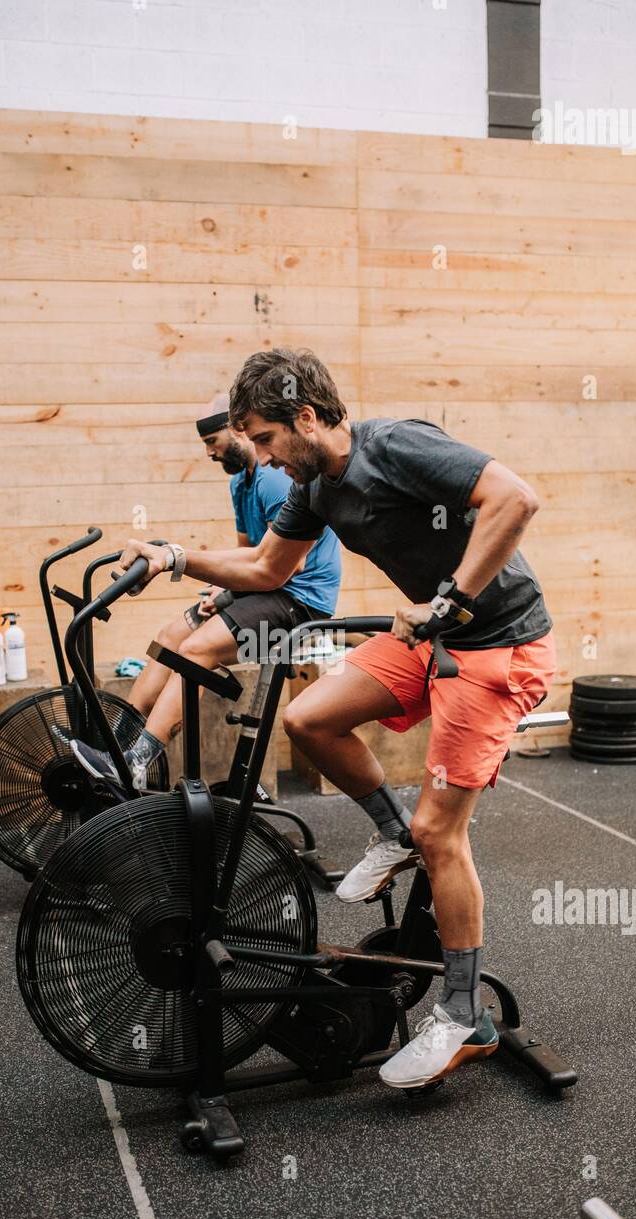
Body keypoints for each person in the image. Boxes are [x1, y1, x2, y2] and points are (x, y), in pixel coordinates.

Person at [108, 348, 558, 1093]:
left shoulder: (397, 447)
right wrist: (177, 558)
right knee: (311, 719)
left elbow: (517, 498)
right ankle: (389, 831)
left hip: (498, 644)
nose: (259, 454)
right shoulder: (312, 487)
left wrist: (450, 600)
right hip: (430, 637)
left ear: (307, 417)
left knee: (440, 832)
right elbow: (264, 571)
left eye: (264, 436)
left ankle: (460, 1015)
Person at [70, 391, 341, 787]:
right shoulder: (241, 485)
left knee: (196, 650)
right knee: (169, 638)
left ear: (238, 432)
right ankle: (117, 746)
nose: (210, 454)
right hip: (264, 591)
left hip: (300, 603)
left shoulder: (272, 481)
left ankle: (137, 765)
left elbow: (285, 567)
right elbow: (248, 554)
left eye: (212, 443)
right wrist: (220, 588)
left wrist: (227, 591)